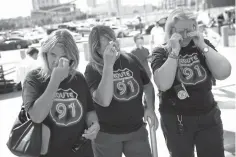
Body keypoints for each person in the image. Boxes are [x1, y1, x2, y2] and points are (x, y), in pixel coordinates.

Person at [151, 8, 231, 157]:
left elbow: (224, 72)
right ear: (171, 30)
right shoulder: (161, 52)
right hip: (177, 120)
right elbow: (163, 84)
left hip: (208, 116)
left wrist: (203, 46)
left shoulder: (202, 45)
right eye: (182, 30)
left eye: (191, 28)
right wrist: (174, 52)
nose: (187, 34)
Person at [22, 29, 100, 157]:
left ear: (72, 58)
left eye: (63, 56)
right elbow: (36, 116)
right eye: (53, 54)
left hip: (80, 151)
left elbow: (89, 111)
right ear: (45, 54)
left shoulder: (78, 78)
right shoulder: (34, 78)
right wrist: (55, 80)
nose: (57, 61)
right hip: (49, 152)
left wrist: (94, 125)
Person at [84, 25, 158, 157]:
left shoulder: (130, 59)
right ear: (97, 49)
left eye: (113, 40)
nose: (113, 45)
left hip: (136, 130)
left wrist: (150, 108)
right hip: (107, 134)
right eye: (106, 44)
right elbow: (103, 100)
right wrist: (108, 65)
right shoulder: (91, 69)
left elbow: (147, 85)